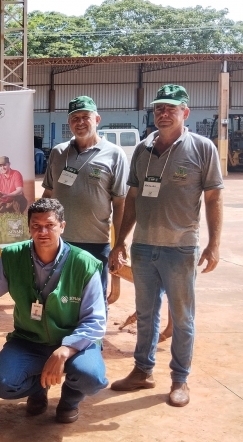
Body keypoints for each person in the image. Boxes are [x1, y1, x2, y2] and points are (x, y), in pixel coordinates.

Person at [0, 198, 108, 424]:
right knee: (0, 382)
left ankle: (69, 401)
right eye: (36, 226)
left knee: (91, 377)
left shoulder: (84, 264)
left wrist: (64, 350)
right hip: (29, 340)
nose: (43, 231)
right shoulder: (13, 256)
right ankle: (38, 390)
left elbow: (95, 320)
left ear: (62, 226)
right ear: (29, 227)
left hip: (75, 344)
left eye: (50, 225)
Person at [109, 85, 223, 407]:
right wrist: (120, 242)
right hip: (144, 248)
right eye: (159, 108)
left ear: (185, 113)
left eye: (171, 108)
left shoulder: (202, 148)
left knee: (183, 317)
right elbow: (132, 198)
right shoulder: (143, 150)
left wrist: (213, 244)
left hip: (180, 249)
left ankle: (179, 379)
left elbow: (213, 198)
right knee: (147, 315)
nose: (163, 113)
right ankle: (142, 371)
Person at [42, 96, 129, 295]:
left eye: (85, 117)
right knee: (60, 299)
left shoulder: (114, 155)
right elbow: (48, 194)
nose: (80, 122)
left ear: (97, 119)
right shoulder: (58, 153)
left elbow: (120, 203)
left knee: (93, 299)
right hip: (59, 242)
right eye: (74, 118)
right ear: (69, 122)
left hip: (96, 244)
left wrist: (120, 243)